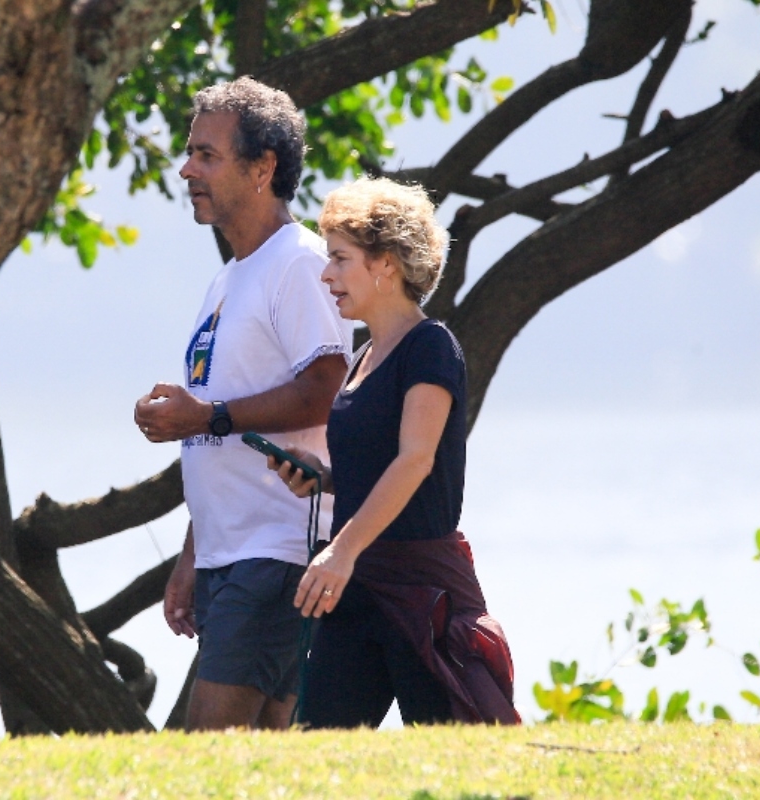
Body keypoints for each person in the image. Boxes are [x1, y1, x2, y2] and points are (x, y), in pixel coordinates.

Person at [132, 77, 353, 730]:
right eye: (190, 152)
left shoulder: (299, 265)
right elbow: (218, 440)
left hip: (278, 548)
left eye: (206, 155)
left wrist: (207, 415)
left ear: (263, 169)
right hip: (233, 552)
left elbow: (325, 388)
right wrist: (193, 554)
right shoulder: (228, 279)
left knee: (208, 752)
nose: (186, 168)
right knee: (259, 760)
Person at [267, 177, 520, 728]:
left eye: (339, 258)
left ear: (384, 264)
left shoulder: (430, 347)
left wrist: (339, 552)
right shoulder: (361, 359)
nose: (326, 273)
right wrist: (323, 478)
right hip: (358, 585)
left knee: (458, 760)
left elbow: (415, 461)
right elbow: (380, 464)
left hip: (419, 589)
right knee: (319, 748)